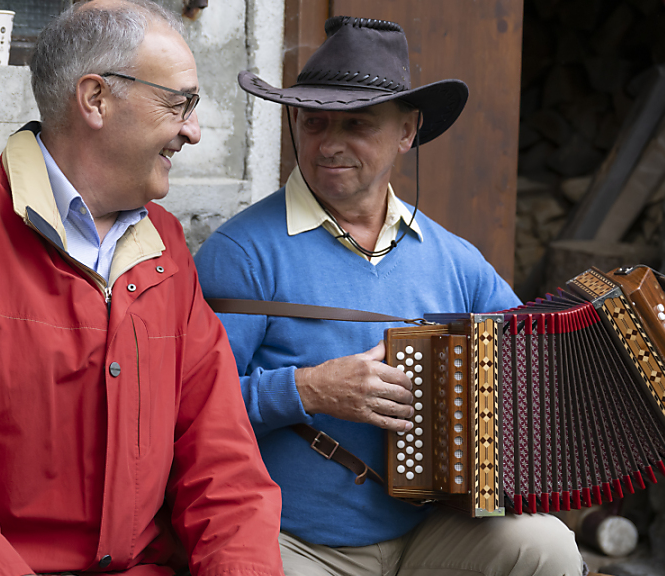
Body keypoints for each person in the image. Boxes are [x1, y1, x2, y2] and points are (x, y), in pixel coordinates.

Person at [0, 1, 284, 574]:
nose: (192, 131)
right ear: (95, 99)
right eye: (179, 104)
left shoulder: (166, 245)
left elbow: (224, 464)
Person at [194, 17, 587, 576]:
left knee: (546, 547)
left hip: (427, 534)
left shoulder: (453, 258)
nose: (329, 144)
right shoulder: (242, 253)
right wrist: (308, 389)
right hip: (290, 541)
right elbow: (186, 410)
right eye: (313, 122)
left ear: (408, 131)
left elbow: (543, 355)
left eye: (356, 124)